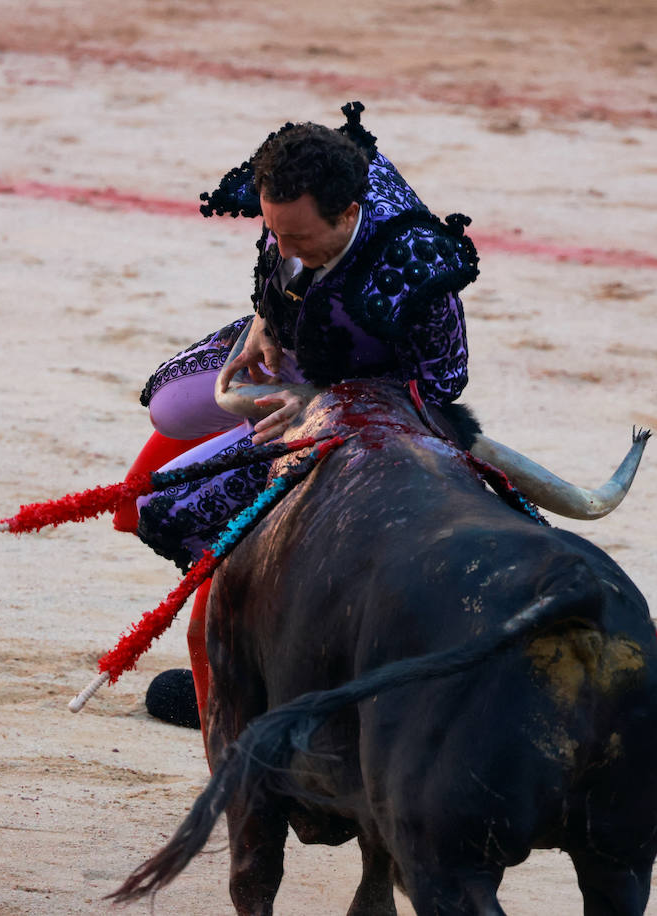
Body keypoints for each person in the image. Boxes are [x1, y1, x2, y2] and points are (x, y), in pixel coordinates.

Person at [125, 102, 481, 733]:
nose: (283, 245)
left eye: (300, 239)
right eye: (275, 231)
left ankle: (235, 705)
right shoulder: (297, 201)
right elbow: (275, 260)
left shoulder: (414, 269)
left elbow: (442, 385)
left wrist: (318, 401)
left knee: (219, 563)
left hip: (357, 416)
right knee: (164, 424)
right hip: (286, 355)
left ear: (349, 215)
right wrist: (264, 320)